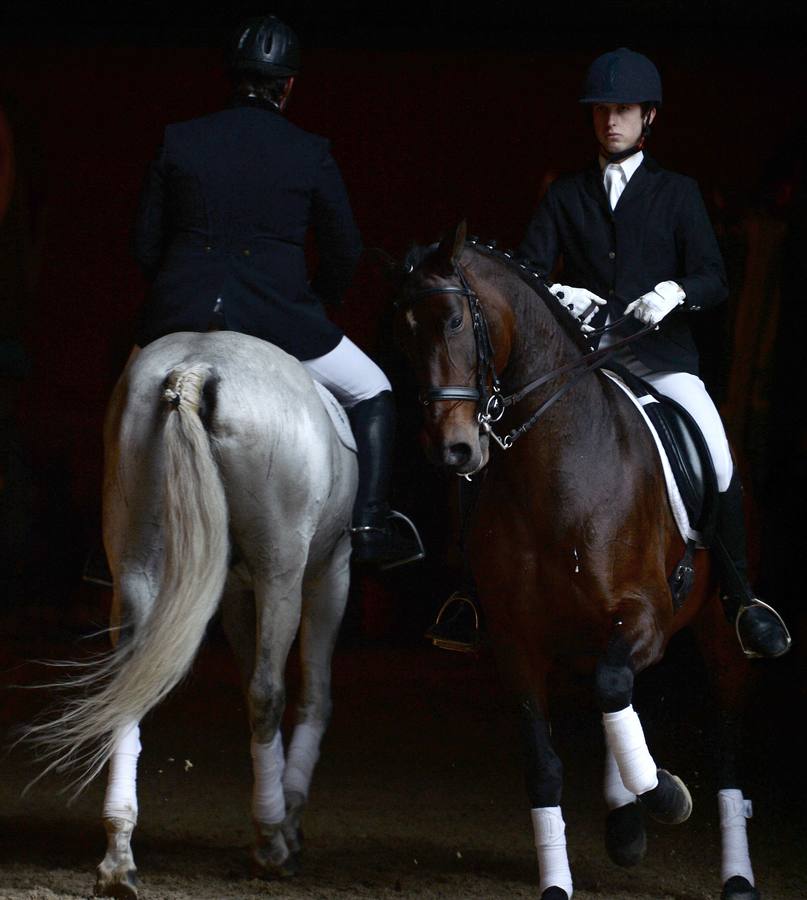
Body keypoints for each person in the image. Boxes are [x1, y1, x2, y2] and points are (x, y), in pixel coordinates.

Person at [427, 47, 790, 658]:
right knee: (489, 451)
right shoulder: (565, 195)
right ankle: (471, 590)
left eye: (622, 110)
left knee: (718, 454)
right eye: (601, 111)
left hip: (661, 359)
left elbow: (713, 276)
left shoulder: (677, 194)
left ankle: (740, 598)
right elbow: (528, 275)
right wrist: (561, 292)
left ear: (649, 117)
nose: (610, 121)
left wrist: (674, 293)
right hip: (583, 364)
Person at [131, 14, 422, 570]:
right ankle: (368, 526)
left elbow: (144, 243)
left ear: (231, 77)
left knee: (129, 394)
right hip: (279, 318)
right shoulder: (310, 150)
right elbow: (346, 250)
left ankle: (117, 540)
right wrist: (313, 303)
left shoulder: (180, 139)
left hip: (178, 313)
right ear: (288, 86)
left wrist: (178, 299)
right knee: (374, 390)